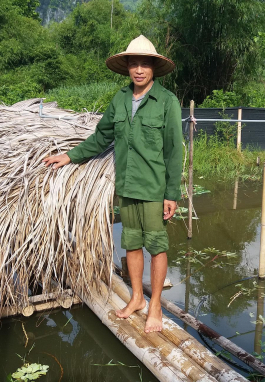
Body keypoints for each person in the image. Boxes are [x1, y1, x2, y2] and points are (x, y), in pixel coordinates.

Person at [43, 35, 183, 333]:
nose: (139, 70)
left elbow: (174, 150)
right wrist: (69, 156)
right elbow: (101, 137)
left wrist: (172, 193)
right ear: (128, 69)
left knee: (156, 247)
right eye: (134, 64)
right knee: (131, 244)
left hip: (154, 189)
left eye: (145, 64)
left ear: (154, 69)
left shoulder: (167, 102)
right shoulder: (120, 99)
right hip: (127, 187)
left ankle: (154, 304)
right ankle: (136, 298)